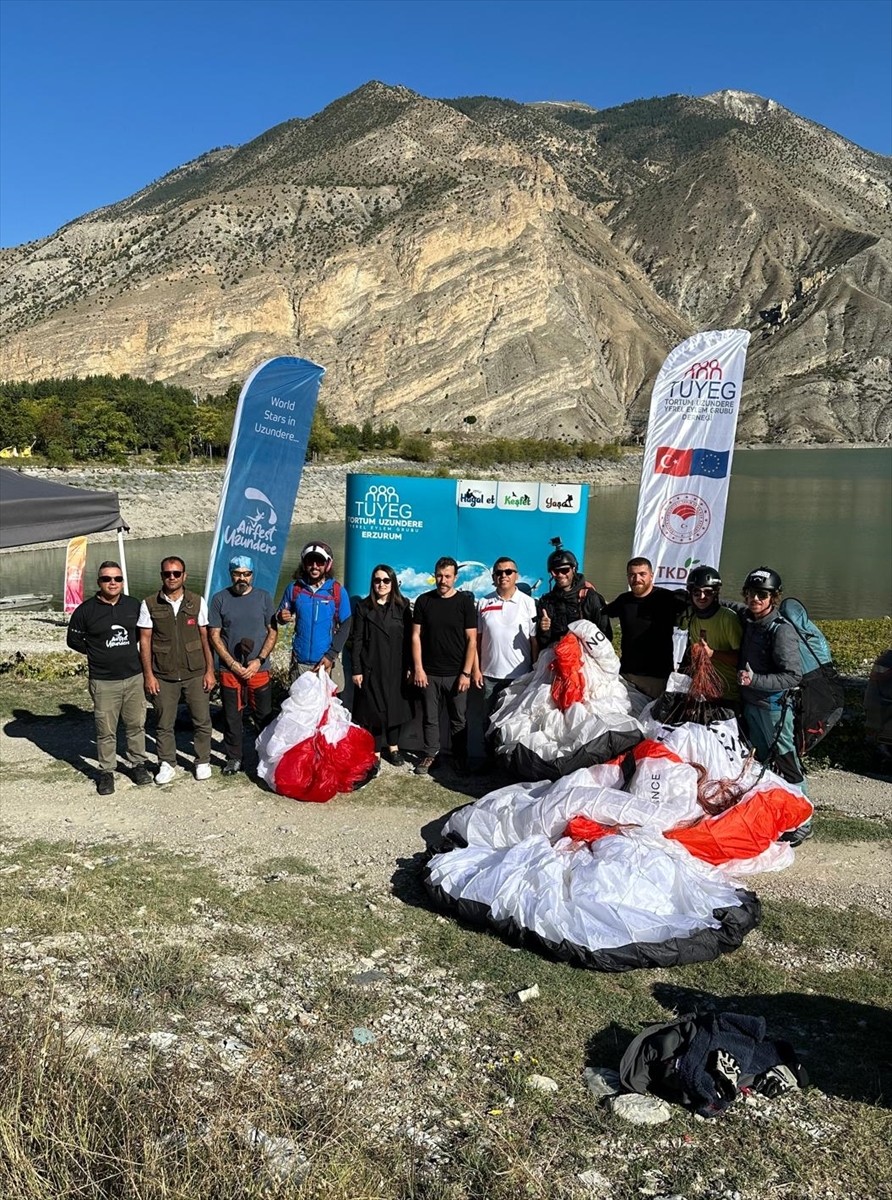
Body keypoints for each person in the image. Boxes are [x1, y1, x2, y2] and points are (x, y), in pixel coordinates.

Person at [737, 567, 811, 842]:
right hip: (752, 705)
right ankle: (774, 815)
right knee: (761, 763)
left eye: (762, 594)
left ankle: (803, 821)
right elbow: (728, 606)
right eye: (751, 593)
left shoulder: (781, 631)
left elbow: (793, 675)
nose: (755, 598)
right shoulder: (750, 619)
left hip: (774, 709)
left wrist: (755, 680)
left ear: (773, 597)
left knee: (787, 762)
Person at [66, 560, 152, 794]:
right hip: (103, 680)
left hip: (134, 676)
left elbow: (143, 635)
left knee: (136, 724)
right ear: (99, 582)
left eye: (117, 579)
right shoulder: (86, 610)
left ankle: (137, 764)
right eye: (107, 579)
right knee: (106, 729)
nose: (112, 583)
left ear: (122, 581)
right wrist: (95, 651)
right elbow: (73, 640)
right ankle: (106, 771)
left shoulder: (133, 605)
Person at [138, 556, 215, 785]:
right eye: (167, 574)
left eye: (176, 573)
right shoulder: (149, 603)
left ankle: (202, 761)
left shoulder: (197, 602)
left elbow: (205, 638)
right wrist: (148, 675)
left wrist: (210, 671)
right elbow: (145, 641)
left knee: (202, 719)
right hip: (163, 673)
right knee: (164, 722)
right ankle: (167, 763)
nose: (172, 578)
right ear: (161, 575)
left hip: (195, 671)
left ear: (185, 575)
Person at [208, 555, 278, 777]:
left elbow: (273, 631)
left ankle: (266, 757)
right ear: (231, 574)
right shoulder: (220, 599)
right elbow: (214, 635)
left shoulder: (264, 598)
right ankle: (234, 757)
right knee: (232, 715)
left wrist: (259, 660)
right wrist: (230, 662)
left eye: (246, 574)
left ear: (252, 575)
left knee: (264, 715)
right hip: (230, 670)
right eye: (238, 573)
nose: (242, 578)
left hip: (259, 668)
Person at [411, 556, 478, 776]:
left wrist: (466, 673)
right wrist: (419, 668)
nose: (443, 580)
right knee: (430, 718)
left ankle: (460, 759)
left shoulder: (465, 603)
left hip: (457, 674)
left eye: (447, 576)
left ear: (455, 578)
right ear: (434, 576)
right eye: (439, 576)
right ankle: (431, 755)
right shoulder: (424, 601)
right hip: (429, 673)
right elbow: (416, 636)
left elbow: (471, 640)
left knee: (458, 719)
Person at [472, 556, 538, 761]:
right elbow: (476, 640)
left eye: (508, 572)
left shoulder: (528, 603)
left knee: (515, 722)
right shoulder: (483, 602)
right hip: (489, 675)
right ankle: (488, 760)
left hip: (520, 675)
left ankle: (510, 763)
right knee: (487, 720)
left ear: (516, 575)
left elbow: (534, 641)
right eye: (499, 572)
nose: (504, 576)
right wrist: (475, 669)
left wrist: (535, 671)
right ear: (493, 577)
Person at [350, 563, 413, 767]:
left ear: (393, 582)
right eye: (377, 580)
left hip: (397, 667)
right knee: (373, 711)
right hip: (371, 667)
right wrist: (357, 669)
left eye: (386, 580)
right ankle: (375, 751)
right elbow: (357, 639)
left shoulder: (403, 606)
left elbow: (411, 639)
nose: (382, 584)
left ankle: (393, 748)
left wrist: (411, 666)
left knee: (396, 708)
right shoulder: (364, 607)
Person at [606, 557, 687, 698]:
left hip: (656, 678)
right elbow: (601, 611)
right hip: (627, 675)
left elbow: (700, 608)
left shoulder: (668, 598)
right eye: (632, 575)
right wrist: (589, 591)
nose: (637, 579)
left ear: (651, 575)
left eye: (642, 574)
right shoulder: (623, 600)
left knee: (651, 718)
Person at [277, 541, 352, 691]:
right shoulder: (294, 589)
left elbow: (346, 625)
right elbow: (281, 614)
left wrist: (331, 655)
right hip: (300, 663)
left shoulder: (337, 591)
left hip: (325, 663)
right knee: (299, 710)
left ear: (328, 565)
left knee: (326, 712)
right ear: (304, 564)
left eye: (320, 562)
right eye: (310, 561)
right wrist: (281, 617)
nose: (315, 566)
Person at [679, 566, 743, 706]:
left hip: (728, 694)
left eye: (708, 592)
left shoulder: (728, 619)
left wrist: (712, 653)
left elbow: (741, 660)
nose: (702, 597)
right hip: (701, 692)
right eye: (697, 592)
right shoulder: (693, 618)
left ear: (716, 593)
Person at [536, 546, 611, 649]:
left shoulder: (589, 597)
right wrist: (543, 629)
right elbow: (543, 642)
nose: (560, 575)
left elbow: (605, 635)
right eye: (555, 571)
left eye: (565, 570)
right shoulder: (546, 602)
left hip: (587, 659)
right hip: (558, 658)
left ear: (574, 569)